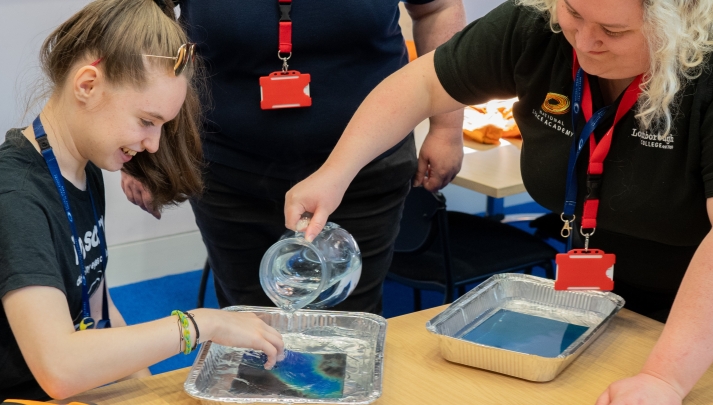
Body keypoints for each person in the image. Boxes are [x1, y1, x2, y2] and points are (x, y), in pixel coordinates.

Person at [283, 0, 713, 403]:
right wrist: (335, 173)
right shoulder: (534, 24)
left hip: (698, 314)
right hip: (603, 300)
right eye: (574, 13)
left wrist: (665, 378)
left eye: (614, 31)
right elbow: (421, 86)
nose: (583, 42)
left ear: (682, 24)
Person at [0, 0, 283, 401]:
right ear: (87, 85)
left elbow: (97, 306)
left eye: (162, 126)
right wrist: (199, 325)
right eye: (146, 121)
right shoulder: (11, 199)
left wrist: (144, 389)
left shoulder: (81, 169)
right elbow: (60, 368)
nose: (153, 144)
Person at [121, 0, 467, 314]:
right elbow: (138, 29)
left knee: (348, 327)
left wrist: (448, 127)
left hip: (366, 169)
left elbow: (436, 9)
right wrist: (137, 148)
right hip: (228, 168)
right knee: (249, 326)